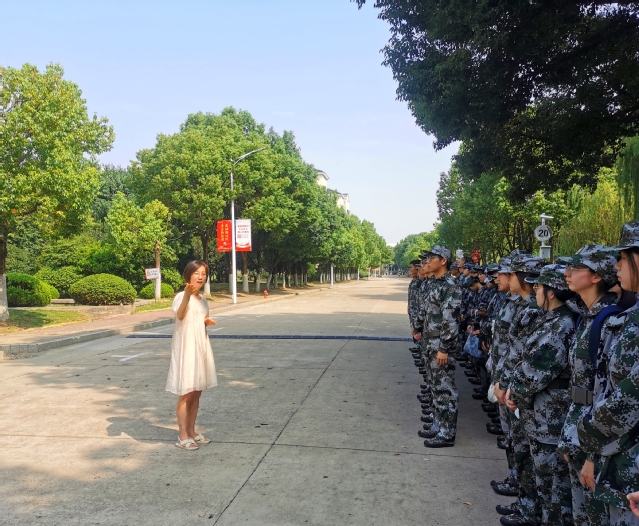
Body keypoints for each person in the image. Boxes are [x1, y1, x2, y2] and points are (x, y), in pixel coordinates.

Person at [577, 222, 639, 526]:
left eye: (623, 258)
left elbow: (629, 395)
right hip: (616, 454)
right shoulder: (630, 317)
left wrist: (585, 432)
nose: (617, 266)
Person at [506, 264, 576, 526]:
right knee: (543, 481)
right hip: (541, 413)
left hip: (550, 417)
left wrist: (515, 392)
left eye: (538, 287)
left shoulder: (561, 324)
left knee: (553, 488)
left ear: (551, 292)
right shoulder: (551, 319)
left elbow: (536, 368)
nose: (535, 291)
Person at [556, 245, 619, 526]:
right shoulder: (586, 315)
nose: (567, 273)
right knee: (580, 511)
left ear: (596, 277)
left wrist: (593, 453)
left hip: (597, 435)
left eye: (575, 268)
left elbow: (608, 391)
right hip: (578, 424)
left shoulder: (611, 321)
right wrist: (570, 433)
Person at [166, 260, 218, 451]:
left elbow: (197, 319)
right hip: (187, 348)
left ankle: (192, 431)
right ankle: (182, 436)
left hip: (201, 346)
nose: (200, 277)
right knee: (187, 391)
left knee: (197, 391)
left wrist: (206, 321)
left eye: (203, 273)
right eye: (196, 273)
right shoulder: (181, 296)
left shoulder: (203, 300)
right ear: (188, 274)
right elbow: (180, 315)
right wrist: (187, 295)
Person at [414, 245, 462, 448]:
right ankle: (438, 424)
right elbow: (426, 312)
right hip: (429, 342)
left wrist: (444, 348)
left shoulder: (450, 286)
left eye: (432, 257)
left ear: (443, 261)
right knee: (435, 387)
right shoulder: (435, 283)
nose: (428, 261)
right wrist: (418, 328)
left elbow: (450, 320)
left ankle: (447, 433)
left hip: (440, 344)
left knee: (445, 389)